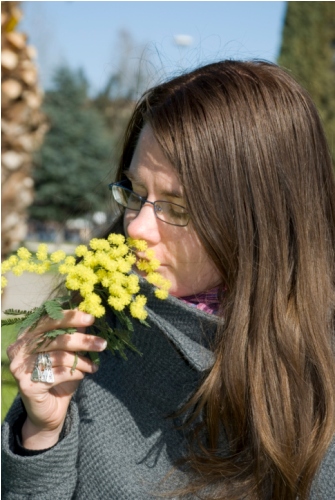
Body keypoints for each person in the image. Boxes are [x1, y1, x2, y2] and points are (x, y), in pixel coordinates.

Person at [2, 60, 335, 500]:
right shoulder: (92, 330)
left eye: (178, 209)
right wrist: (41, 432)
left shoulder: (319, 386)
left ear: (261, 224)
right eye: (135, 192)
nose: (137, 227)